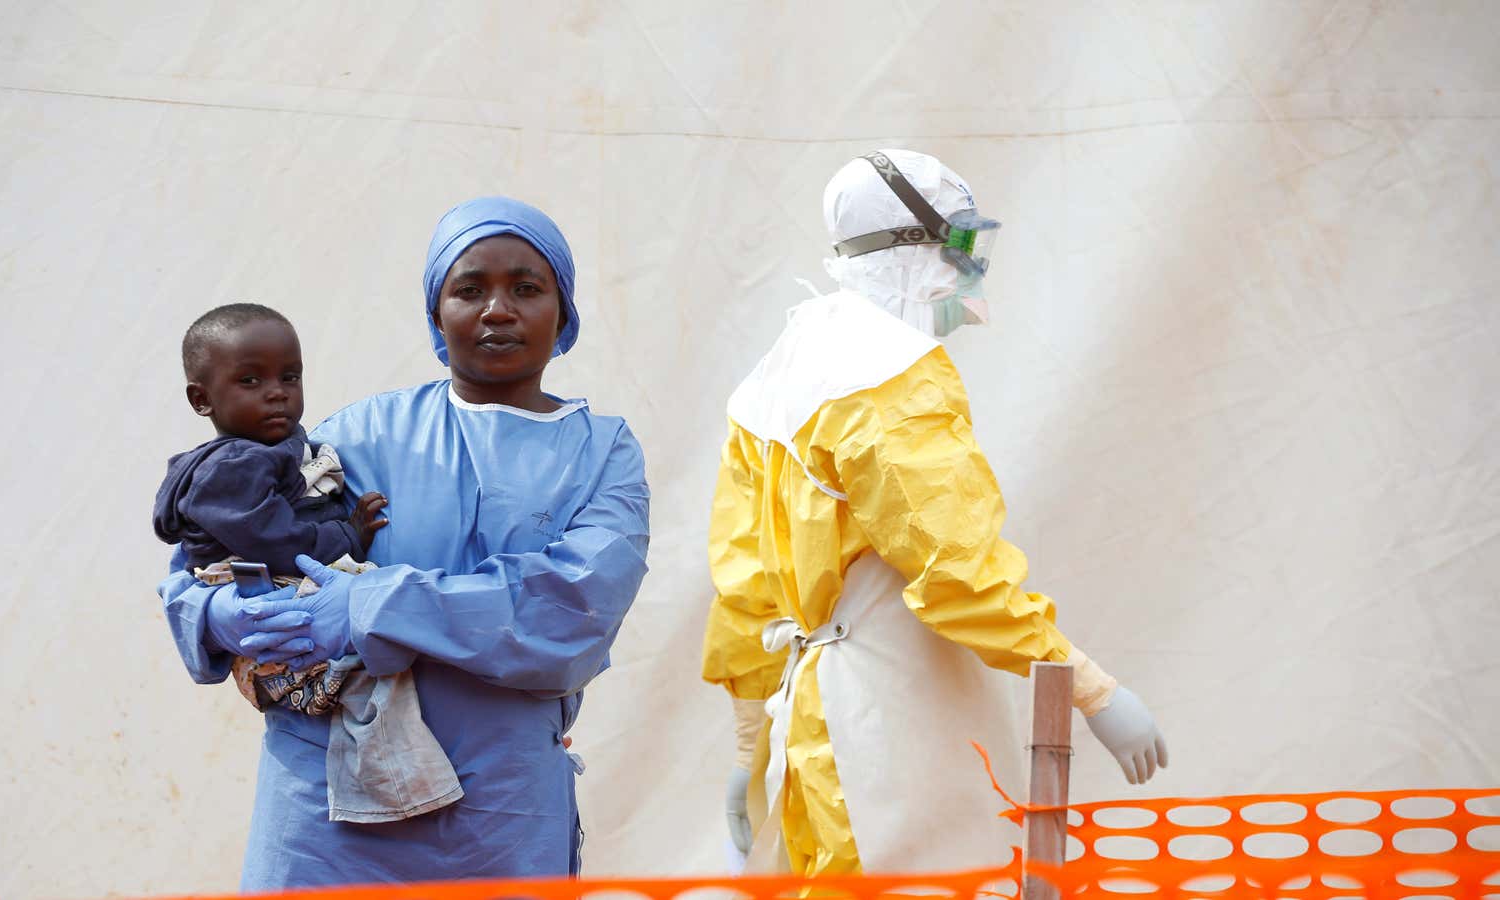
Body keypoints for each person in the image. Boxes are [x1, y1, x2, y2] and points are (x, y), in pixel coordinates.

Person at [157, 197, 651, 888]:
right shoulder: (353, 436)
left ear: (563, 311)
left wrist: (373, 605)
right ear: (435, 315)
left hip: (500, 812)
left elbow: (571, 611)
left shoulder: (602, 454)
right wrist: (215, 617)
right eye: (469, 289)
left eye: (527, 288)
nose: (498, 310)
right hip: (324, 813)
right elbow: (207, 547)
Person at [700, 149, 1170, 876]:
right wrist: (1092, 690)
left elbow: (745, 589)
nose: (974, 273)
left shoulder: (776, 372)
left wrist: (746, 744)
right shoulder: (893, 378)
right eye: (966, 246)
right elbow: (959, 577)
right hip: (884, 725)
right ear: (918, 252)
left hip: (813, 722)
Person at [152, 302, 461, 827]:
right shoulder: (233, 464)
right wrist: (349, 534)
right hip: (270, 583)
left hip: (282, 573)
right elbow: (273, 541)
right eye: (250, 380)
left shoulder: (270, 448)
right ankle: (398, 787)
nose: (276, 392)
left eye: (289, 377)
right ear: (201, 399)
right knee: (371, 663)